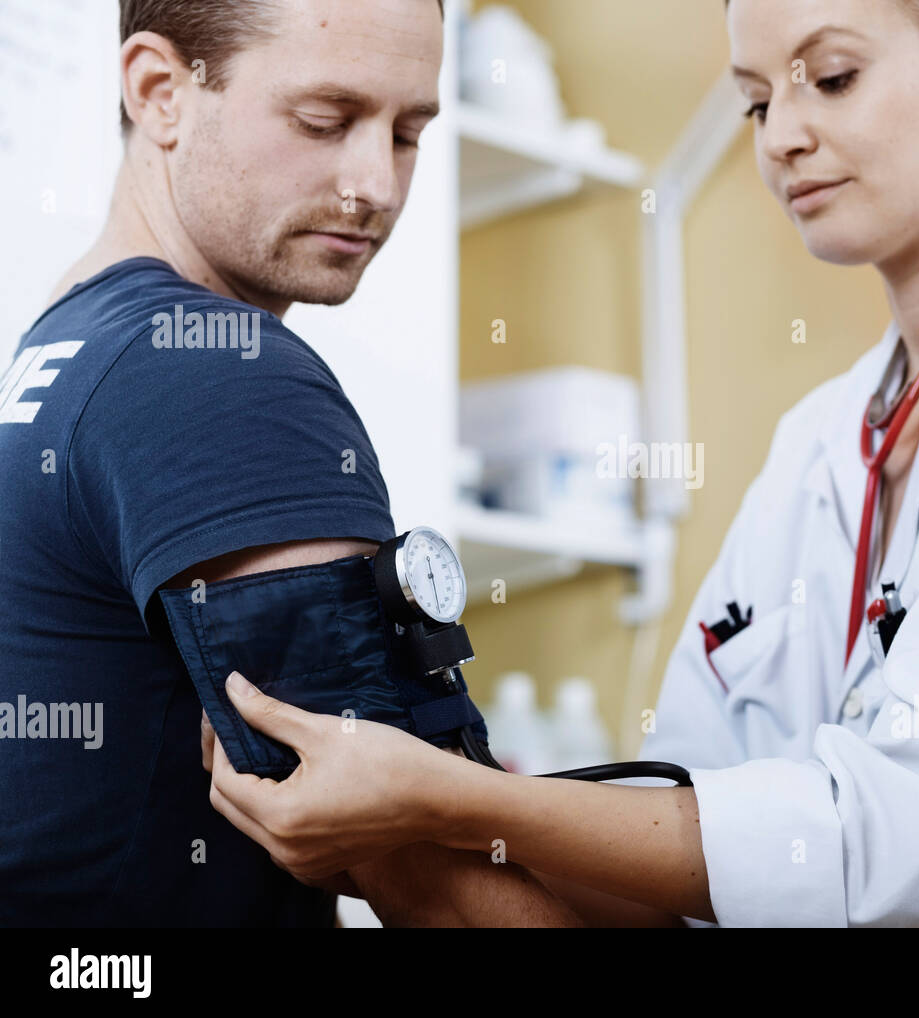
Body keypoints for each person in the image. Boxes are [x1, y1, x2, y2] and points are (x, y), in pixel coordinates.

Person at [216, 0, 919, 926]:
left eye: (829, 77)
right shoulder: (822, 446)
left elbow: (907, 859)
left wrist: (463, 807)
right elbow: (704, 844)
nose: (780, 134)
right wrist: (425, 830)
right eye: (755, 99)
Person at [0, 0, 580, 927]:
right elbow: (445, 893)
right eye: (325, 121)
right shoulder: (213, 368)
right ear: (160, 93)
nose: (376, 185)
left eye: (408, 133)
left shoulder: (62, 338)